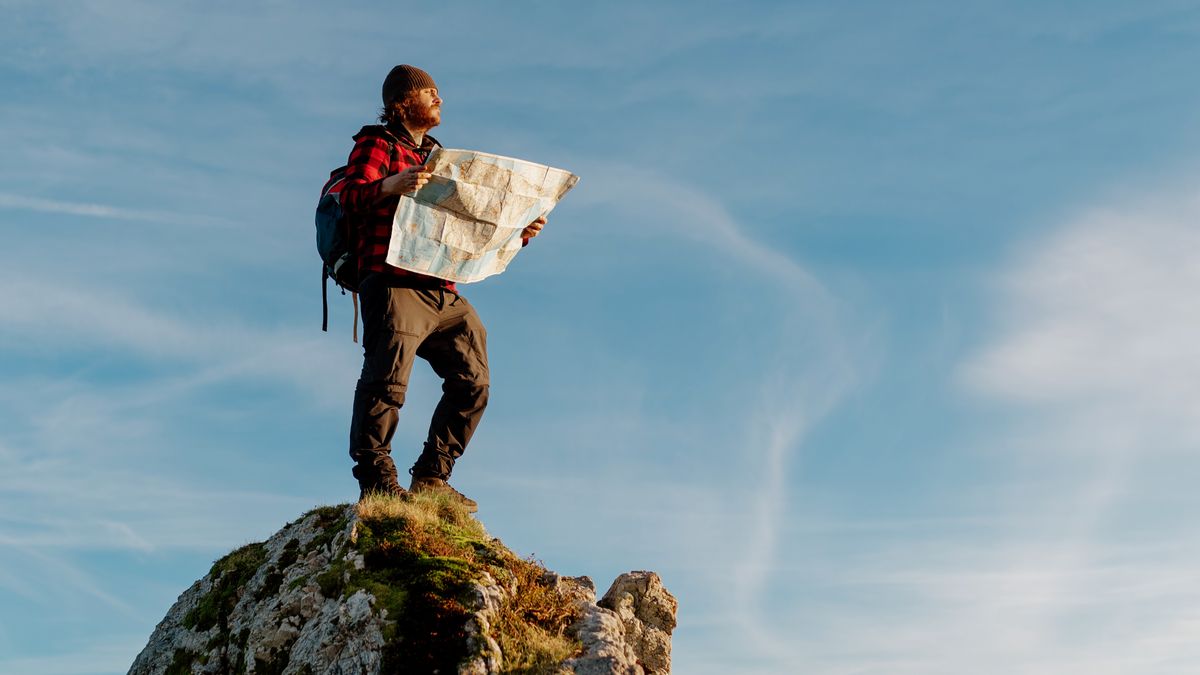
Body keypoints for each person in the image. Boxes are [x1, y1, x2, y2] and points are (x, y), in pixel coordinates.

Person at [339, 64, 545, 510]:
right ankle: (376, 481)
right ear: (402, 103)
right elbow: (350, 196)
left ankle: (432, 475)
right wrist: (390, 184)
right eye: (430, 92)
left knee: (474, 381)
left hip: (441, 287)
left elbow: (463, 226)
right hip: (392, 280)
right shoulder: (378, 144)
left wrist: (515, 235)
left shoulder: (438, 155)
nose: (440, 99)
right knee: (386, 382)